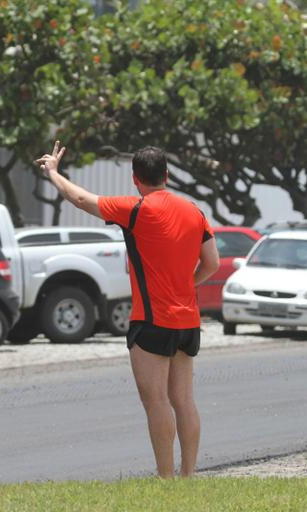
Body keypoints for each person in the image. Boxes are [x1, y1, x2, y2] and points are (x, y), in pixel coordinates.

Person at [35, 141, 220, 478]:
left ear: (136, 180)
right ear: (166, 175)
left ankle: (165, 480)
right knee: (183, 399)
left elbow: (79, 198)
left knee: (156, 401)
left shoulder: (136, 209)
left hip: (151, 321)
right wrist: (186, 285)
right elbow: (212, 263)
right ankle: (188, 476)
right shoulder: (195, 211)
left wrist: (53, 173)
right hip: (188, 321)